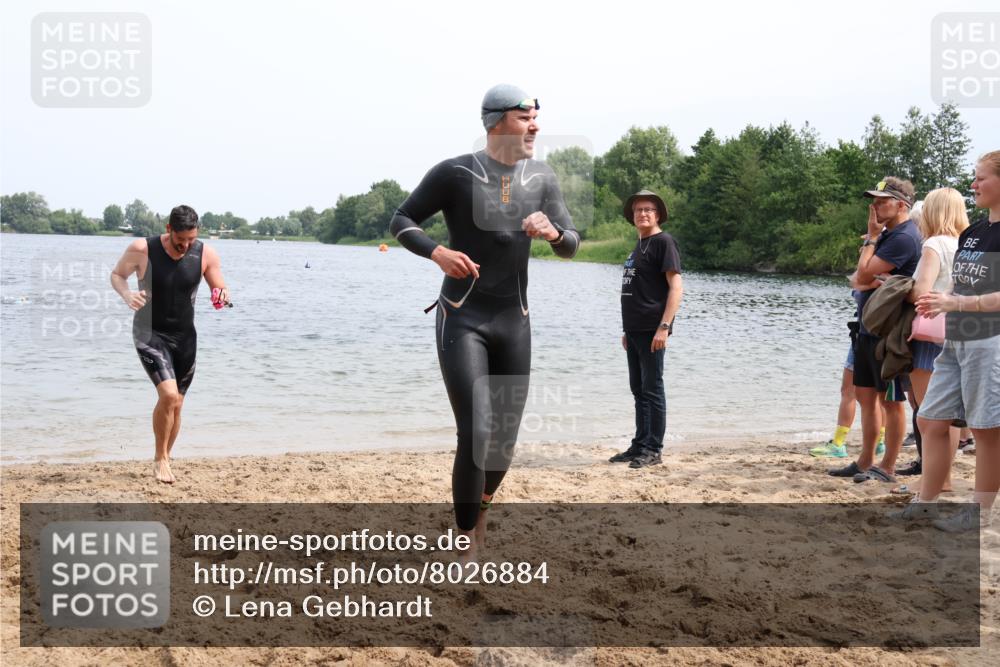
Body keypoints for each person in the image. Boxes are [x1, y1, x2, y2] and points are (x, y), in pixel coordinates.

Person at [388, 84, 579, 559]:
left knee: (504, 444)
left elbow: (572, 241)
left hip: (514, 320)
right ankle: (467, 535)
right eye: (524, 117)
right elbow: (402, 218)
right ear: (495, 121)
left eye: (536, 117)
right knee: (475, 430)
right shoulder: (456, 172)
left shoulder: (541, 178)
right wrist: (437, 252)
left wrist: (554, 232)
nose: (535, 125)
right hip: (462, 315)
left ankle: (482, 510)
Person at [898, 151, 1000, 530]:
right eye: (974, 178)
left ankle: (979, 514)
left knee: (988, 430)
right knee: (931, 419)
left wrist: (958, 302)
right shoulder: (972, 232)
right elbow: (962, 280)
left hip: (990, 340)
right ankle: (926, 502)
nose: (973, 185)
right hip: (955, 339)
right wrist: (941, 304)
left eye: (981, 178)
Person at [110, 205, 230, 483]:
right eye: (180, 240)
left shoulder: (205, 254)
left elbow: (219, 287)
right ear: (169, 229)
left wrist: (221, 295)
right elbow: (117, 275)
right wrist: (127, 295)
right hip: (149, 333)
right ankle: (160, 459)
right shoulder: (143, 249)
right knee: (168, 396)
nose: (186, 246)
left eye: (191, 240)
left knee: (177, 404)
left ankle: (166, 457)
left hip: (185, 338)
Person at [829, 177, 921, 483]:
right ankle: (865, 461)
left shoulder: (904, 237)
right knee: (865, 396)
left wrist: (869, 240)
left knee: (891, 402)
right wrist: (869, 265)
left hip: (890, 332)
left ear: (901, 204)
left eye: (882, 201)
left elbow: (864, 271)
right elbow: (860, 278)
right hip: (868, 328)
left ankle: (889, 466)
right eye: (875, 200)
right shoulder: (888, 234)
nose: (875, 206)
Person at [891, 188, 968, 491]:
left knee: (928, 413)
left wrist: (898, 288)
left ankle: (934, 480)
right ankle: (943, 478)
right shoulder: (966, 243)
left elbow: (921, 291)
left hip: (927, 333)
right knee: (948, 416)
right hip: (957, 331)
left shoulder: (934, 244)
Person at [609, 190, 683, 469]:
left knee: (652, 389)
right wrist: (628, 330)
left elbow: (676, 288)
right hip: (635, 331)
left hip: (654, 330)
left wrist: (664, 327)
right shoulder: (639, 245)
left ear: (658, 214)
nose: (642, 213)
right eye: (638, 209)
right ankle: (639, 444)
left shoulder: (664, 242)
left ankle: (653, 449)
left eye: (648, 209)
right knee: (638, 389)